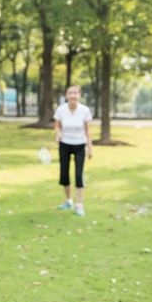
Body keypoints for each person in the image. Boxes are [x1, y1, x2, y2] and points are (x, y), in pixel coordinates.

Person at [53, 85, 93, 216]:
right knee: (64, 175)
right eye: (70, 93)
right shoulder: (60, 110)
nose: (72, 95)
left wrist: (90, 147)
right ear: (66, 95)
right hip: (64, 145)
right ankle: (68, 201)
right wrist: (58, 134)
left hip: (79, 145)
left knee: (78, 175)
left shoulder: (85, 110)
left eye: (75, 93)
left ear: (79, 95)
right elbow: (57, 126)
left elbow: (88, 130)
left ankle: (79, 205)